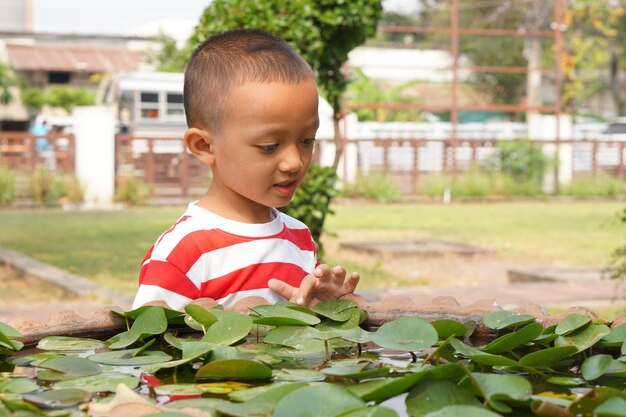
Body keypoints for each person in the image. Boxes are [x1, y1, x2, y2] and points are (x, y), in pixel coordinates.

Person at [132, 29, 361, 311]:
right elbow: (146, 341)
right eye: (269, 146)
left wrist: (327, 305)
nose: (294, 162)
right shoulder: (184, 250)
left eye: (306, 140)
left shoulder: (299, 238)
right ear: (204, 145)